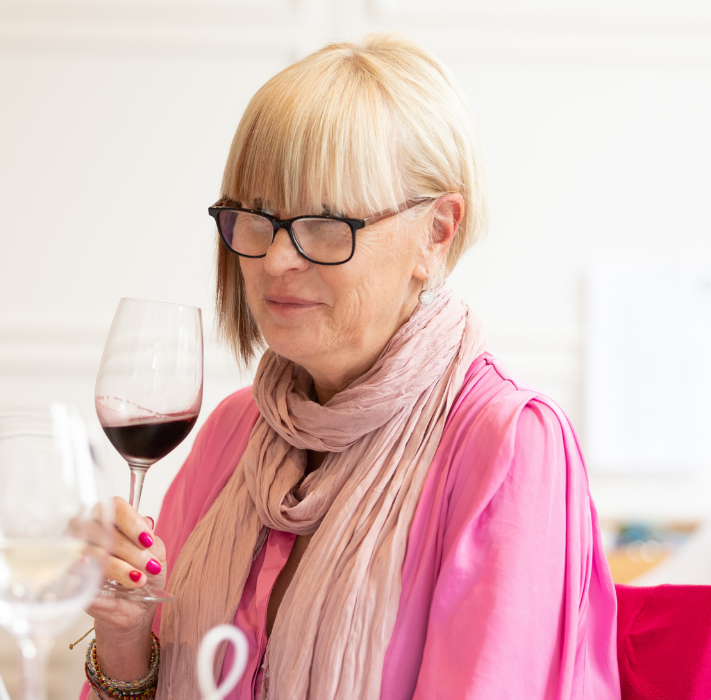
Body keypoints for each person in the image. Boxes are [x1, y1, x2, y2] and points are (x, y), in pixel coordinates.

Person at [83, 33, 619, 700]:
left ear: (438, 231)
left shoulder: (509, 447)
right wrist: (127, 644)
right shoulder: (231, 432)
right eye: (258, 217)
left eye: (328, 224)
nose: (277, 261)